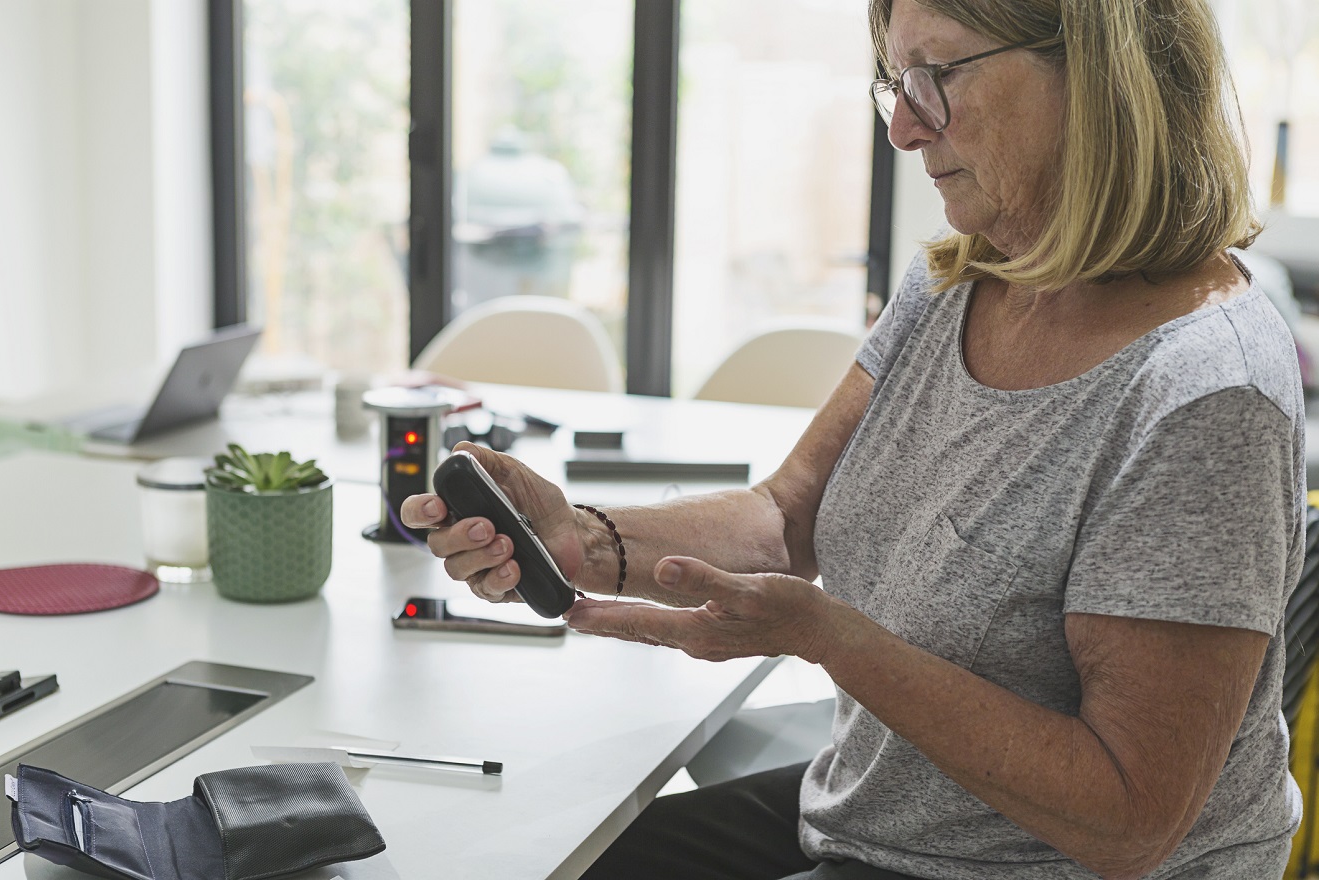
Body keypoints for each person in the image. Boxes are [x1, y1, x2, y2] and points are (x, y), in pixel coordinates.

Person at [401, 0, 1305, 876]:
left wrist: (832, 640)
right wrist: (585, 541)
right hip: (875, 820)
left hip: (1026, 868)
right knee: (549, 858)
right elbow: (787, 520)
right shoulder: (961, 280)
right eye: (895, 83)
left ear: (1101, 76)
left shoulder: (1208, 396)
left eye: (935, 76)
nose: (903, 129)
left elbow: (1127, 823)